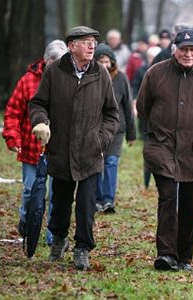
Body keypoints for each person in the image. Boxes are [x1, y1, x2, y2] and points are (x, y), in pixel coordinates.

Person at [136, 28, 193, 271]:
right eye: (183, 49)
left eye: (192, 49)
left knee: (189, 203)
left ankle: (184, 256)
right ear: (174, 50)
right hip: (162, 145)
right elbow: (143, 106)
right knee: (167, 198)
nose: (188, 54)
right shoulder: (156, 73)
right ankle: (166, 253)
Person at [29, 26, 119, 271]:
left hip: (91, 152)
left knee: (87, 204)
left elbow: (112, 113)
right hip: (61, 149)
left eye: (93, 42)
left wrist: (102, 139)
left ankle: (82, 248)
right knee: (60, 202)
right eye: (86, 42)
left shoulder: (100, 74)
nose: (92, 46)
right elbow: (38, 103)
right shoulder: (54, 72)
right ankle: (58, 239)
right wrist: (40, 122)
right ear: (71, 46)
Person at [2, 39, 67, 246]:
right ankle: (27, 222)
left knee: (55, 195)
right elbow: (13, 111)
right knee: (31, 191)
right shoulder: (28, 81)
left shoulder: (69, 81)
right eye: (55, 63)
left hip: (58, 149)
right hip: (31, 149)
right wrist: (13, 137)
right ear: (46, 61)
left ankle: (52, 236)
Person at [94, 43, 137, 214]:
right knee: (97, 163)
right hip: (96, 129)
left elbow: (127, 106)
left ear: (112, 62)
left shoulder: (121, 79)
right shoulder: (92, 78)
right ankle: (96, 198)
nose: (104, 65)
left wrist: (131, 134)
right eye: (100, 61)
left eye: (107, 62)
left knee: (111, 163)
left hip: (116, 130)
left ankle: (108, 200)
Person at [131, 46, 162, 188]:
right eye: (150, 57)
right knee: (148, 148)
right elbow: (135, 87)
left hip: (161, 117)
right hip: (146, 117)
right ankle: (146, 180)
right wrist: (135, 102)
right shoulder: (142, 71)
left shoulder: (164, 71)